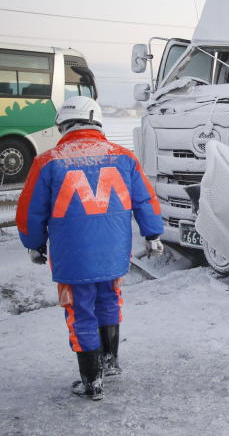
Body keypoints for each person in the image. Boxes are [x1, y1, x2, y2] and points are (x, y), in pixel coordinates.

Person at [16, 96, 164, 401]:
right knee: (109, 300)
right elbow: (145, 200)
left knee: (80, 311)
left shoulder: (48, 161)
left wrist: (33, 244)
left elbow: (31, 210)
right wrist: (153, 235)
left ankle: (91, 380)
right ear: (94, 119)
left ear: (64, 125)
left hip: (74, 258)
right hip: (113, 254)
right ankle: (110, 364)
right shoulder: (123, 157)